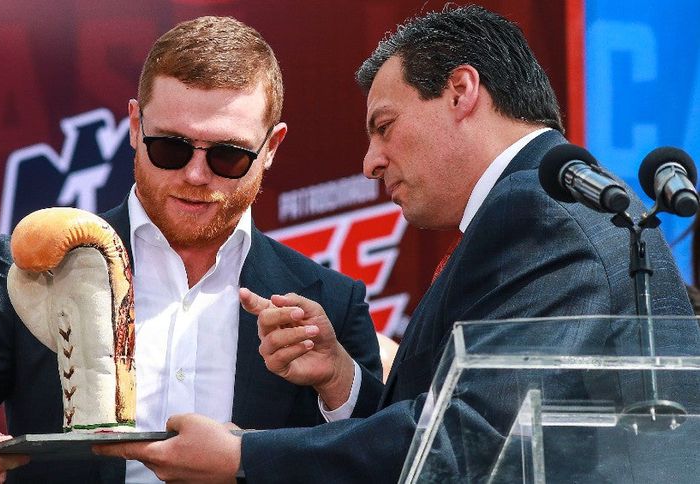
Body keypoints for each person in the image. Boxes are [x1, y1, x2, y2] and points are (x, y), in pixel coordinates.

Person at [91, 5, 698, 483]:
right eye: (172, 146)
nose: (370, 163)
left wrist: (244, 456)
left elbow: (472, 437)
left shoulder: (539, 212)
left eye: (384, 127)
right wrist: (340, 378)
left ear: (461, 91)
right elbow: (460, 425)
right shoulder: (534, 211)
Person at [0, 16, 383, 484]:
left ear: (271, 147)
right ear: (135, 127)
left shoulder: (329, 301)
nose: (195, 174)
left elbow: (386, 455)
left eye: (227, 155)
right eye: (170, 147)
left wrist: (338, 382)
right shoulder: (36, 269)